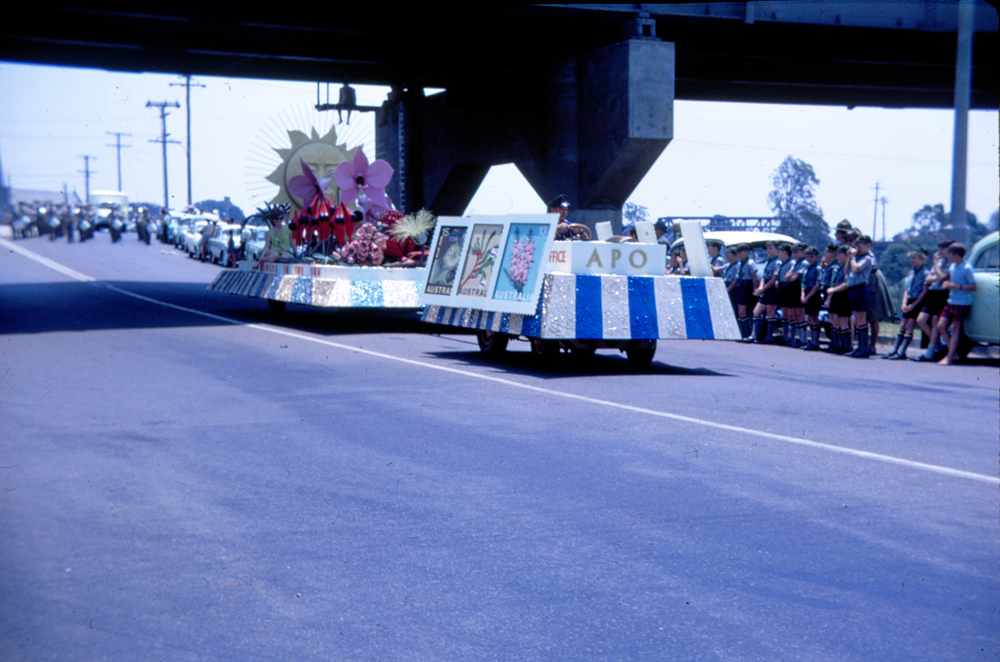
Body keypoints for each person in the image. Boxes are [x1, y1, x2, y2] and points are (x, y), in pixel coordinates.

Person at [913, 239, 954, 362]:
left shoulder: (951, 263)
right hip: (933, 293)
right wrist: (938, 276)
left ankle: (930, 350)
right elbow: (929, 278)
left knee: (935, 321)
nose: (940, 251)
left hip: (942, 294)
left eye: (943, 249)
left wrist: (936, 266)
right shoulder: (940, 262)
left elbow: (942, 277)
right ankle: (938, 345)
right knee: (921, 320)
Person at [885, 247, 929, 360]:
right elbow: (907, 289)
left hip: (917, 301)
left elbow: (924, 291)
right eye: (911, 258)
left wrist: (913, 305)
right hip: (909, 300)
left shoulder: (925, 273)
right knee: (902, 325)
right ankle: (895, 350)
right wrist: (904, 303)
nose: (911, 260)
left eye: (914, 258)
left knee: (909, 326)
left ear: (922, 259)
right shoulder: (911, 272)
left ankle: (902, 352)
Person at [936, 243, 976, 365]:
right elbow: (952, 281)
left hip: (962, 302)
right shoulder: (953, 267)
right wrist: (947, 284)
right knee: (941, 326)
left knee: (954, 328)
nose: (948, 257)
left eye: (950, 255)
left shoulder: (967, 268)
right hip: (951, 301)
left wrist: (957, 286)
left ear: (956, 255)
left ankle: (949, 357)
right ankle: (953, 353)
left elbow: (973, 286)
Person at [844, 235, 874, 357]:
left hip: (860, 289)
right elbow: (846, 270)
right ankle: (859, 347)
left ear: (868, 246)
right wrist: (849, 258)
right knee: (857, 319)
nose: (858, 249)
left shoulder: (867, 258)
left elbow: (855, 269)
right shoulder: (856, 258)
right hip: (853, 289)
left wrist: (853, 257)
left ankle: (864, 348)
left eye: (860, 246)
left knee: (862, 319)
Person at [752, 241, 782, 343]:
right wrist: (760, 288)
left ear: (777, 250)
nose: (768, 250)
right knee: (756, 312)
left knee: (770, 312)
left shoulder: (778, 262)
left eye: (771, 248)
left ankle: (769, 337)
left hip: (772, 289)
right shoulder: (768, 261)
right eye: (767, 248)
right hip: (765, 289)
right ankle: (755, 335)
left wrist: (763, 289)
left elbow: (774, 278)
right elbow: (764, 277)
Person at [732, 243, 758, 342]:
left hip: (746, 286)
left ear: (746, 252)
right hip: (740, 286)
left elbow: (755, 278)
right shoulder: (739, 264)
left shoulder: (750, 262)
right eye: (736, 253)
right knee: (740, 311)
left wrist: (753, 290)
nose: (738, 254)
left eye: (740, 252)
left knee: (743, 311)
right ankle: (742, 333)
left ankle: (748, 334)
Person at [799, 246, 823, 350]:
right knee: (809, 318)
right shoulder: (807, 268)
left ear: (817, 256)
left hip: (814, 294)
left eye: (812, 256)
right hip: (807, 292)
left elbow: (817, 285)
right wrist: (802, 295)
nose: (810, 258)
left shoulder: (818, 268)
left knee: (814, 317)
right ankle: (811, 341)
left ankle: (815, 342)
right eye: (807, 256)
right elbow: (803, 283)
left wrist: (807, 297)